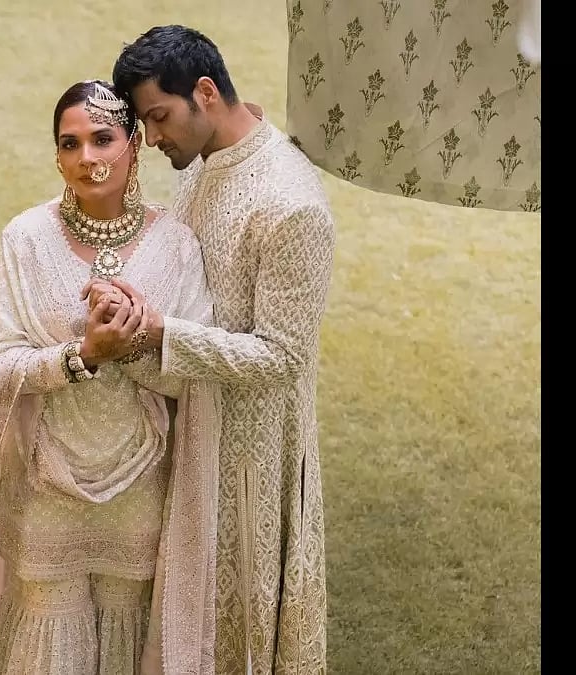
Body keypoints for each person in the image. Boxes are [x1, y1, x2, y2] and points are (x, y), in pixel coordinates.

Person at [0, 79, 221, 675]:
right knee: (49, 625)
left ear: (133, 141)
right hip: (46, 481)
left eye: (103, 139)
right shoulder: (27, 239)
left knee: (127, 618)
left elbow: (195, 377)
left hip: (140, 483)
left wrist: (140, 340)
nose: (87, 159)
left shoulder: (175, 245)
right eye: (70, 144)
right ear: (55, 155)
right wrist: (82, 356)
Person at [108, 25, 336, 674]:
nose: (153, 140)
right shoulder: (207, 160)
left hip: (249, 458)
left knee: (231, 631)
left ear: (204, 92)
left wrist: (162, 335)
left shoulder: (291, 206)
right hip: (186, 428)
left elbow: (280, 356)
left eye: (159, 118)